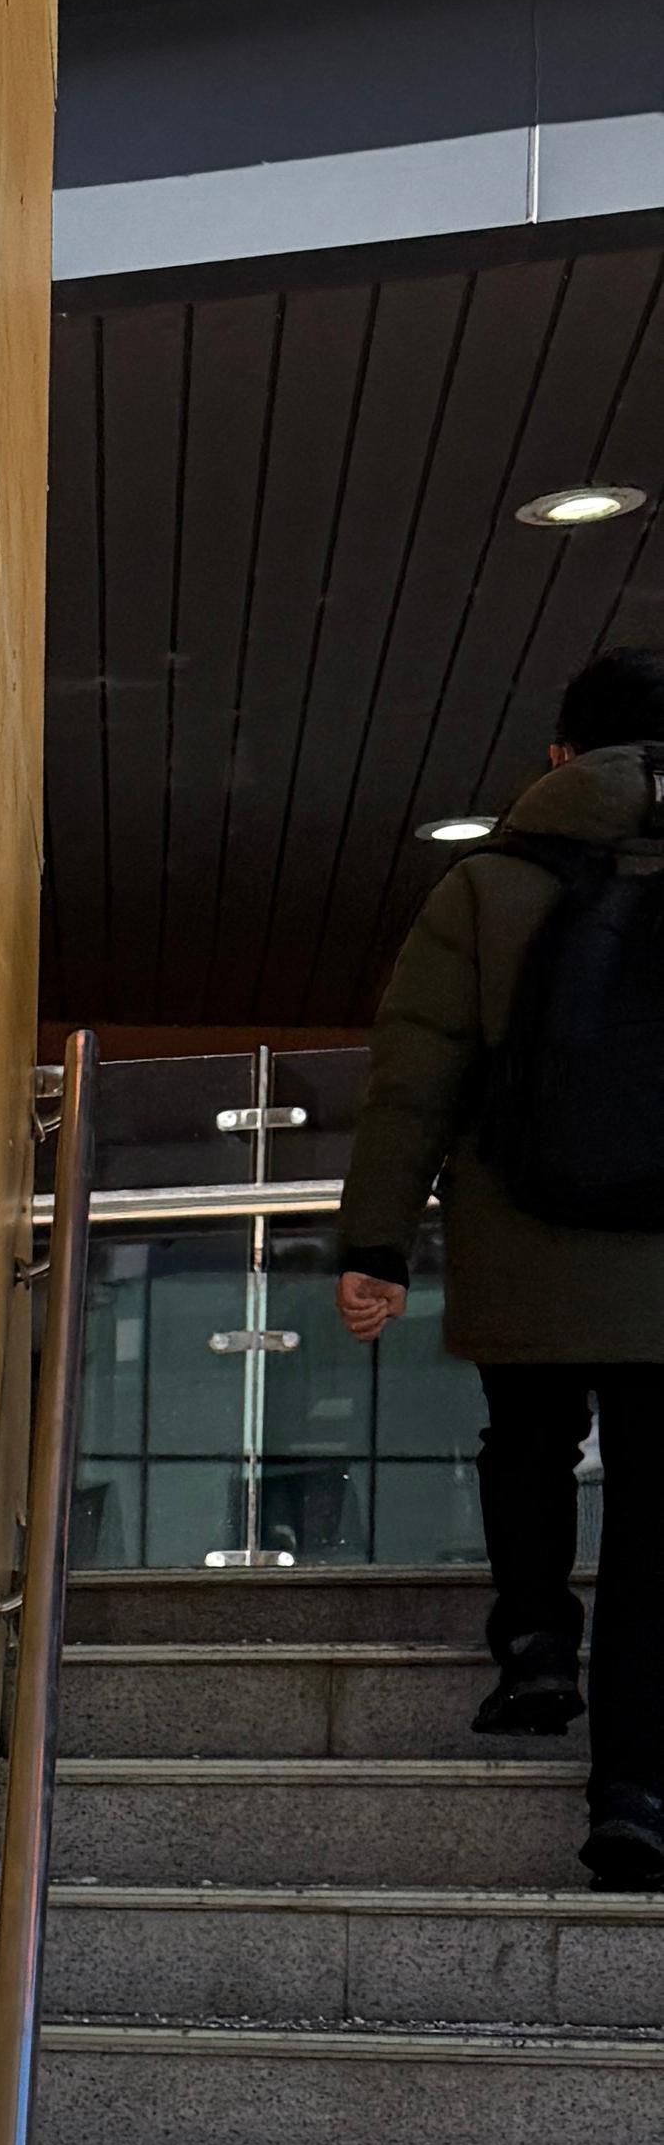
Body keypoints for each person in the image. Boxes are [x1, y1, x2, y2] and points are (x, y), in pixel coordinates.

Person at [339, 643, 664, 1890]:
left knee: (527, 1440)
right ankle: (634, 1791)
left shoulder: (488, 885)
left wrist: (375, 1244)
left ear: (561, 754)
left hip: (523, 1232)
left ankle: (534, 1646)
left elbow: (413, 1075)